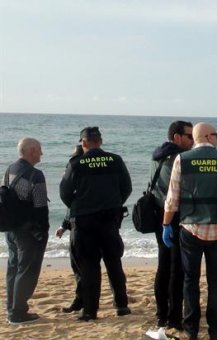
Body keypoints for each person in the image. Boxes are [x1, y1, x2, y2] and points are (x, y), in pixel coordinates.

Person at [162, 122, 217, 340]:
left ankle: (191, 330)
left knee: (190, 280)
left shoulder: (182, 160)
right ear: (207, 136)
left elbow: (172, 200)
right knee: (216, 281)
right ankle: (216, 330)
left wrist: (166, 225)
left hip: (191, 229)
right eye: (216, 134)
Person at [59, 127, 133, 321]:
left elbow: (65, 193)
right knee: (114, 263)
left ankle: (90, 311)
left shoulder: (76, 164)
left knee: (90, 266)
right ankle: (122, 306)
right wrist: (114, 203)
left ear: (83, 143)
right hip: (110, 219)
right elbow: (127, 188)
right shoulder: (115, 160)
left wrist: (81, 204)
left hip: (85, 221)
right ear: (100, 141)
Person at [151, 120, 194, 330]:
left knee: (164, 264)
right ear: (177, 137)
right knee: (175, 268)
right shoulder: (177, 159)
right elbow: (179, 192)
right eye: (189, 136)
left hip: (160, 214)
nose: (193, 140)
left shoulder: (159, 154)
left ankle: (162, 313)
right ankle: (173, 317)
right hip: (173, 216)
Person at [4, 137, 50, 324]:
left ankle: (11, 308)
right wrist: (43, 230)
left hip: (11, 228)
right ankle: (19, 312)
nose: (41, 153)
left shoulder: (10, 169)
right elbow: (40, 206)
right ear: (31, 151)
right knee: (27, 270)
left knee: (13, 268)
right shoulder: (35, 175)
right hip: (28, 231)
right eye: (39, 150)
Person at [55, 145, 84, 314]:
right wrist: (64, 226)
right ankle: (121, 303)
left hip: (80, 226)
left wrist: (65, 225)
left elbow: (71, 202)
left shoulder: (75, 169)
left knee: (80, 266)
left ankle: (81, 301)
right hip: (103, 224)